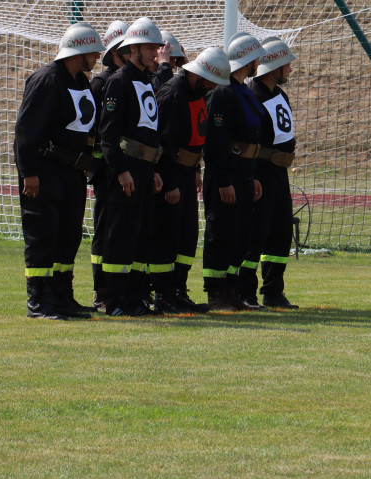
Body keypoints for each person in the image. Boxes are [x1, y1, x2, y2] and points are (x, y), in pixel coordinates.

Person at [13, 22, 103, 319]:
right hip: (45, 171)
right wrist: (29, 172)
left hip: (71, 173)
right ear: (80, 52)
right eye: (94, 52)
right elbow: (26, 132)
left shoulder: (80, 81)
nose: (97, 58)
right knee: (43, 235)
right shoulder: (47, 80)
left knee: (68, 236)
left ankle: (62, 298)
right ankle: (38, 302)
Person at [151, 46, 231, 313]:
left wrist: (195, 168)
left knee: (186, 237)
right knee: (167, 237)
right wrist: (169, 184)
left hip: (186, 173)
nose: (212, 89)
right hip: (172, 176)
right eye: (211, 82)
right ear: (199, 76)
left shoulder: (194, 91)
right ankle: (163, 295)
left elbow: (194, 137)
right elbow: (162, 143)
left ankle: (178, 291)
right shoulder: (173, 94)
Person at [97, 16, 165, 316]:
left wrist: (155, 170)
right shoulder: (118, 81)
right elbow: (108, 134)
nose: (155, 54)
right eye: (150, 48)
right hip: (126, 171)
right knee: (120, 237)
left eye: (156, 48)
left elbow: (149, 131)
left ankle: (135, 299)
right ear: (133, 49)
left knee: (142, 236)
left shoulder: (147, 81)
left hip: (146, 171)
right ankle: (114, 302)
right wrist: (121, 170)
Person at [201, 33, 266, 311]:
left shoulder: (243, 91)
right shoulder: (224, 93)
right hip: (226, 175)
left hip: (243, 173)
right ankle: (216, 293)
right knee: (222, 233)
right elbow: (215, 143)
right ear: (247, 59)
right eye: (255, 59)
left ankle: (231, 289)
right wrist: (224, 181)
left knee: (240, 234)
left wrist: (251, 177)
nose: (258, 64)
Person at [243, 37, 300, 308]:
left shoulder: (279, 94)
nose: (290, 68)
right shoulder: (251, 95)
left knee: (280, 232)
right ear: (274, 65)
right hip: (260, 173)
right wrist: (251, 176)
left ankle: (273, 291)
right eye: (286, 63)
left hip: (279, 174)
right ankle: (245, 292)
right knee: (255, 234)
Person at [89, 20, 129, 310]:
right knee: (105, 231)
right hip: (106, 170)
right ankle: (101, 291)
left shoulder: (131, 81)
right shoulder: (102, 84)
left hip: (126, 167)